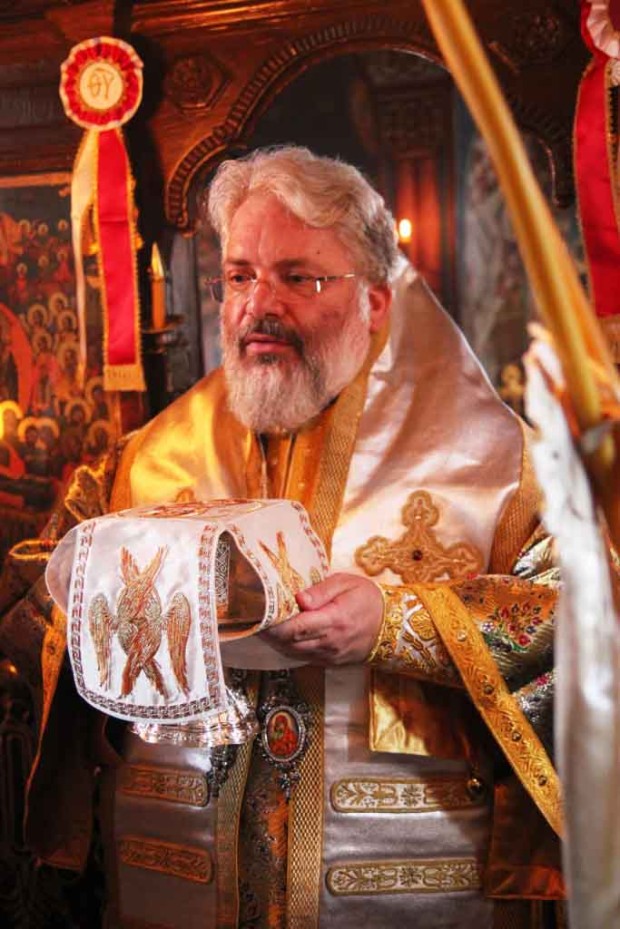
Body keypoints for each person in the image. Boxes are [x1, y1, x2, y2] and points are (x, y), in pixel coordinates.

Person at [0, 147, 563, 929]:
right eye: (239, 276)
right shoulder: (145, 460)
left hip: (408, 881)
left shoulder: (503, 467)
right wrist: (110, 606)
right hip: (179, 872)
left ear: (374, 300)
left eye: (299, 277)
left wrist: (397, 623)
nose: (258, 305)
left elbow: (582, 622)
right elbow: (33, 611)